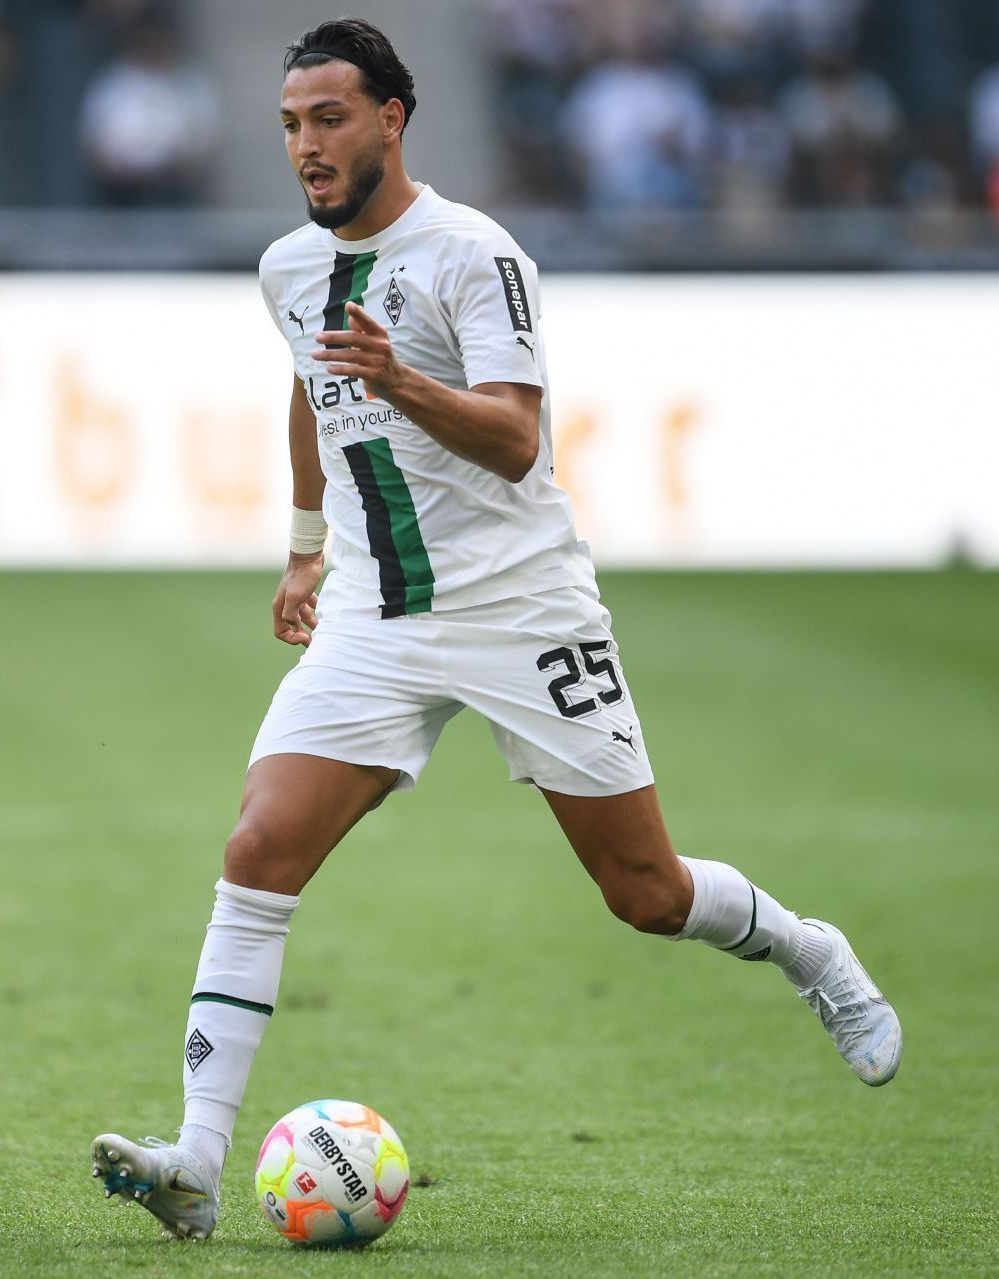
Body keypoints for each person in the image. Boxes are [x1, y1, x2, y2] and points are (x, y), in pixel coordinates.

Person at [90, 18, 901, 1241]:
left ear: (391, 118)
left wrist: (400, 379)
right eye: (291, 126)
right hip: (374, 612)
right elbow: (311, 393)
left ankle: (810, 950)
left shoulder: (476, 253)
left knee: (644, 889)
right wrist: (306, 547)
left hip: (522, 607)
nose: (307, 148)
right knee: (258, 848)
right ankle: (198, 1160)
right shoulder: (287, 269)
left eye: (329, 119)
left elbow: (518, 439)